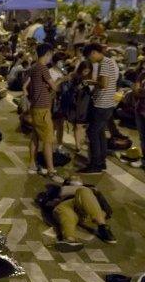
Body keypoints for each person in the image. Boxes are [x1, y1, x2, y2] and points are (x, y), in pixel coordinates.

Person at [36, 176, 116, 252]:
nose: (77, 177)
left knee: (83, 191)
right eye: (73, 177)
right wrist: (53, 201)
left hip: (88, 211)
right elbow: (42, 201)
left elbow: (107, 209)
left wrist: (101, 214)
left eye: (78, 177)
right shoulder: (57, 190)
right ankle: (70, 240)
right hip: (67, 209)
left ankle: (103, 227)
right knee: (63, 208)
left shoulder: (89, 189)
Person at [24, 43, 62, 182]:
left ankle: (32, 164)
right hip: (42, 109)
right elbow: (55, 87)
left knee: (35, 136)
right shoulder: (43, 68)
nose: (50, 58)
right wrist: (63, 79)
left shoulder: (33, 67)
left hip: (35, 107)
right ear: (47, 54)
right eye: (50, 55)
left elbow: (29, 87)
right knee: (47, 140)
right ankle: (51, 170)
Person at [80, 43, 120, 174]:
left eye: (88, 57)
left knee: (92, 132)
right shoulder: (109, 62)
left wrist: (92, 82)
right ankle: (101, 162)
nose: (89, 60)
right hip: (107, 104)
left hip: (102, 104)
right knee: (100, 133)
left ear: (93, 53)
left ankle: (95, 164)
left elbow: (104, 84)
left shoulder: (105, 63)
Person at [134, 66, 145, 169]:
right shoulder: (142, 74)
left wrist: (140, 91)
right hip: (140, 110)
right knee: (142, 138)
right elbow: (136, 91)